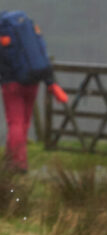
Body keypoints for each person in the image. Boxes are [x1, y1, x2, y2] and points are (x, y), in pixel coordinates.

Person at [0, 10, 68, 173]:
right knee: (24, 122)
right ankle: (12, 160)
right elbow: (41, 53)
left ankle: (18, 164)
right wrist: (50, 82)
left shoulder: (4, 32)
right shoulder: (28, 28)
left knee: (15, 122)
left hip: (12, 83)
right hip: (33, 80)